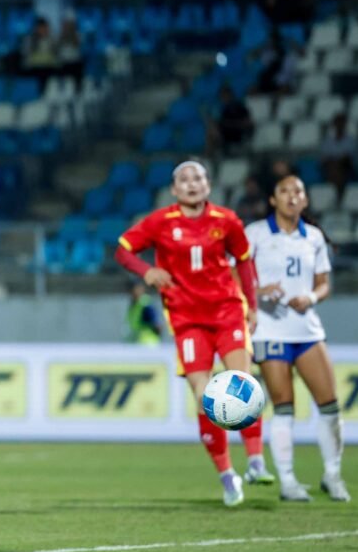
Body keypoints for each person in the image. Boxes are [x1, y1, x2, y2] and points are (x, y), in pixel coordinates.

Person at [115, 160, 274, 506]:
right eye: (184, 179)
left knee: (241, 382)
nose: (191, 183)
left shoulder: (226, 220)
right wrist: (147, 271)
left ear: (208, 185)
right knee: (205, 398)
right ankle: (227, 475)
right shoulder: (160, 222)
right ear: (174, 189)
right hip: (187, 319)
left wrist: (253, 306)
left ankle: (257, 459)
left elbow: (244, 261)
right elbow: (123, 249)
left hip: (228, 311)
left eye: (198, 177)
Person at [246, 175, 348, 502]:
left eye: (298, 191)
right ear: (273, 200)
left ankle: (332, 475)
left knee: (330, 405)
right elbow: (234, 273)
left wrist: (312, 298)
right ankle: (288, 481)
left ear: (305, 200)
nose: (292, 196)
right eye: (284, 191)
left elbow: (324, 283)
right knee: (284, 407)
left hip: (306, 329)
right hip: (269, 330)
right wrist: (258, 291)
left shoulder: (314, 237)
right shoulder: (256, 233)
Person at [320, 113, 358, 194]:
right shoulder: (327, 141)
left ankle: (338, 191)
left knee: (339, 166)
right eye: (338, 123)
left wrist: (337, 161)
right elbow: (325, 158)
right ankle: (336, 191)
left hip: (346, 168)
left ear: (345, 124)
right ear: (334, 125)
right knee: (332, 167)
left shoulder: (351, 140)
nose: (339, 125)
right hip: (331, 167)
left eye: (341, 123)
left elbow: (348, 157)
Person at [125, 280, 162, 346]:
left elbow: (157, 325)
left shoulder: (145, 304)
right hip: (137, 343)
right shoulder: (134, 304)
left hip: (147, 344)